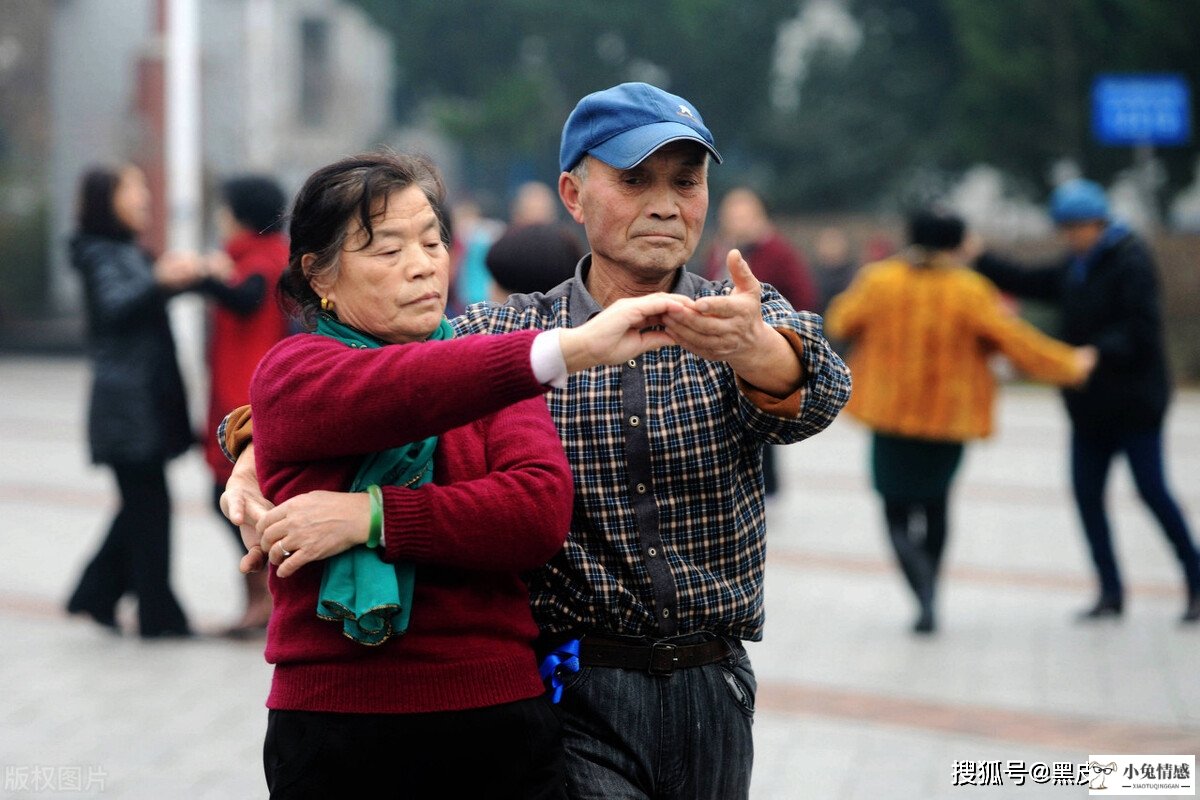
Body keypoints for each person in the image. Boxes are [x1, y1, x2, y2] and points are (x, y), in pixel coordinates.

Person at [221, 82, 852, 798]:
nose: (667, 204)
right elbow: (372, 382)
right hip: (576, 685)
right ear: (573, 196)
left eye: (687, 181)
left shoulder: (737, 314)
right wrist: (253, 452)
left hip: (713, 682)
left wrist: (754, 349)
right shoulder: (516, 333)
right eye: (635, 180)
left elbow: (821, 391)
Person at [235, 150, 684, 798]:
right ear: (319, 274)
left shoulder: (486, 375)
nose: (423, 264)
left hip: (495, 724)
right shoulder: (295, 376)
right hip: (337, 727)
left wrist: (373, 516)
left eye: (432, 240)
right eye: (387, 251)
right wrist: (571, 348)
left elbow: (534, 514)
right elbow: (399, 389)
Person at [825, 210, 1096, 633]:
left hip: (889, 415)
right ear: (955, 244)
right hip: (948, 417)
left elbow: (841, 319)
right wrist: (1069, 364)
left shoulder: (881, 280)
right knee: (937, 504)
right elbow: (1015, 341)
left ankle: (922, 595)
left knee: (894, 508)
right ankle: (933, 593)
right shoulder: (969, 290)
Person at [972, 178, 1200, 623]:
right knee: (1087, 496)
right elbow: (1027, 279)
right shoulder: (1076, 266)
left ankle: (1196, 581)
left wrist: (1097, 352)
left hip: (1135, 405)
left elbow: (1141, 328)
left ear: (1099, 223)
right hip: (1089, 407)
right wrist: (979, 257)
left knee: (1153, 492)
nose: (1071, 235)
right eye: (1066, 228)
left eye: (1078, 227)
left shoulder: (1130, 261)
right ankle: (1110, 592)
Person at [65, 163, 202, 638]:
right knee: (149, 509)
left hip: (141, 399)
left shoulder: (123, 249)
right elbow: (118, 306)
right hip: (128, 404)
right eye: (134, 187)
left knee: (141, 506)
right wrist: (162, 280)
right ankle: (157, 615)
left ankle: (95, 593)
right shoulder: (100, 252)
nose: (145, 195)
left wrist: (191, 277)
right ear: (108, 197)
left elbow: (142, 297)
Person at [198, 175, 291, 637]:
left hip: (244, 401)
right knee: (231, 501)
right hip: (234, 393)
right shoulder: (257, 258)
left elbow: (246, 299)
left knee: (235, 500)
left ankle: (265, 601)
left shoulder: (263, 260)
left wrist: (204, 278)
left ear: (241, 215)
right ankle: (260, 601)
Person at [703, 186, 822, 496]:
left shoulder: (779, 251)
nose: (736, 222)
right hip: (721, 350)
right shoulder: (722, 248)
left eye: (743, 215)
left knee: (764, 415)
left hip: (765, 345)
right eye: (731, 215)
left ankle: (765, 486)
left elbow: (804, 297)